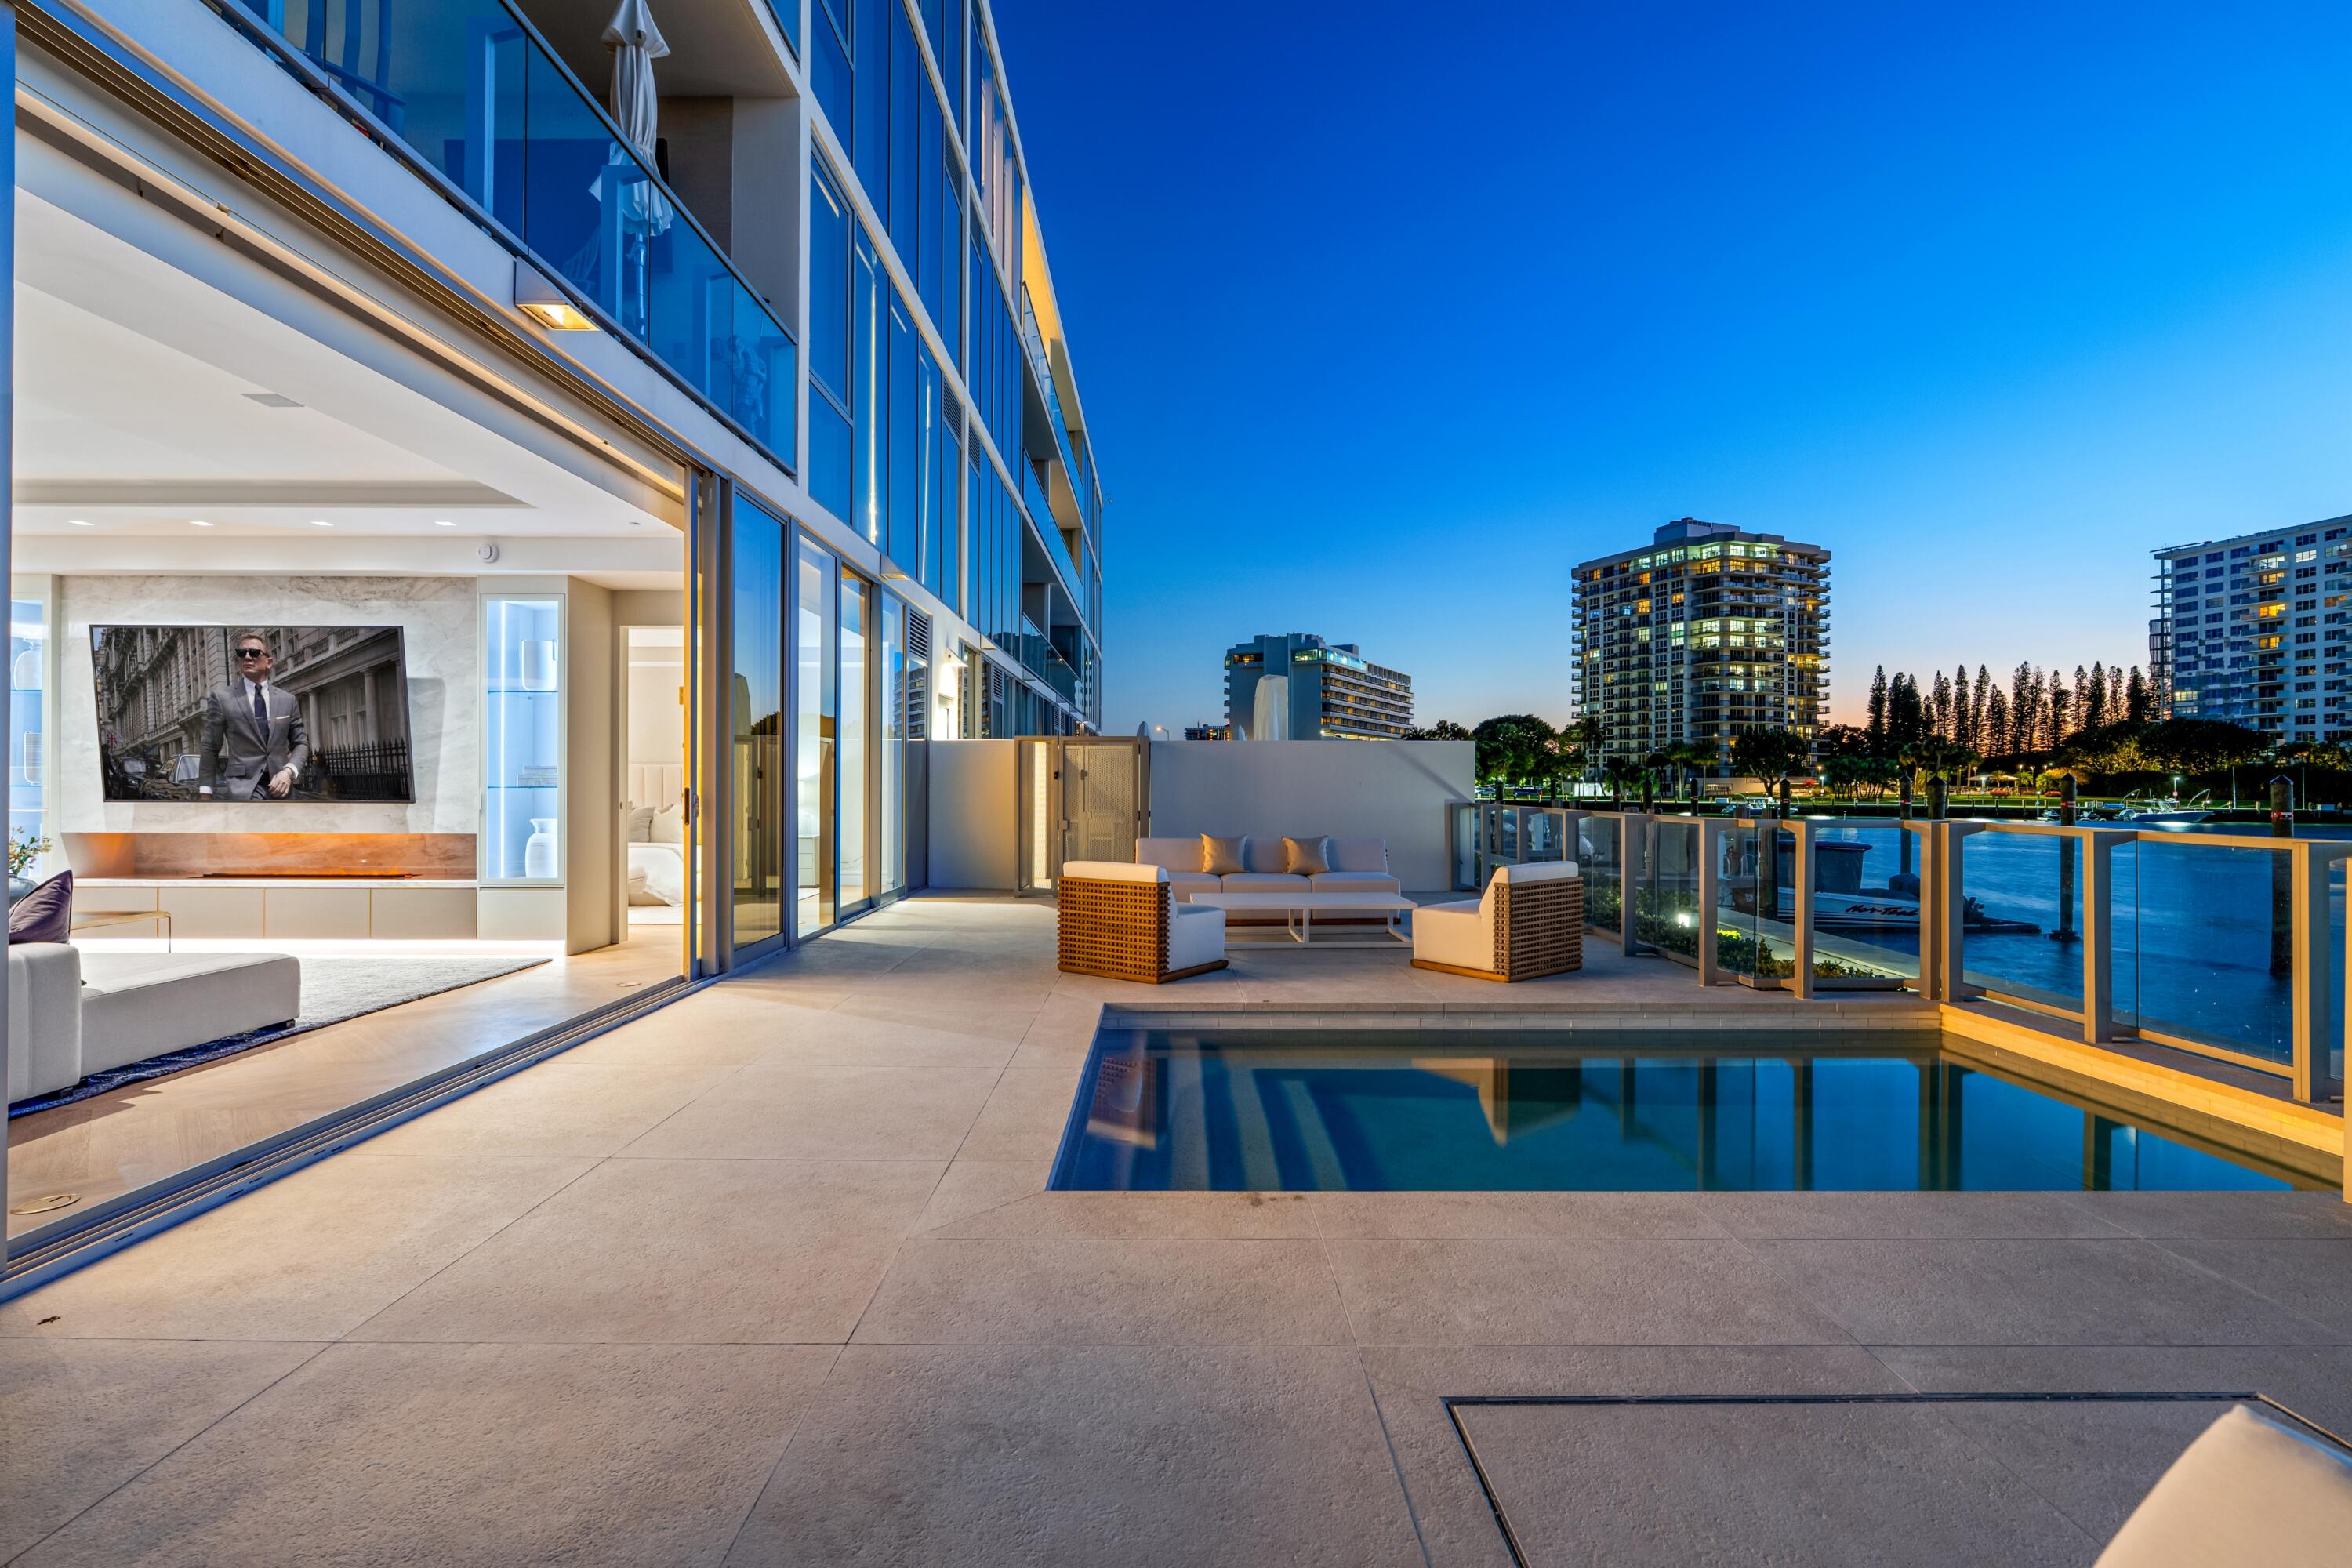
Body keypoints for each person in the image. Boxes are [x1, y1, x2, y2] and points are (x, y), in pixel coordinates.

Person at [198, 632, 310, 800]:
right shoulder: (222, 698)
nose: (247, 657)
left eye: (254, 653)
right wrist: (205, 792)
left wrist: (289, 772)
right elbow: (210, 746)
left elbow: (301, 742)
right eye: (242, 653)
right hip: (243, 790)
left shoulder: (288, 700)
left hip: (282, 787)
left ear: (269, 662)